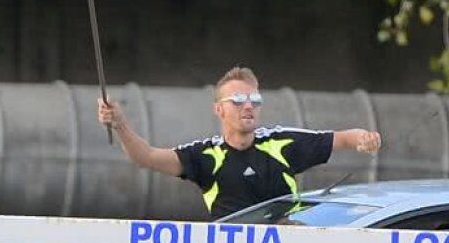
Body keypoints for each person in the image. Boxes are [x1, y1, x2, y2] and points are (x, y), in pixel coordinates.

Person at [97, 66, 382, 219]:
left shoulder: (280, 142)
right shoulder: (204, 155)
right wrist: (120, 124)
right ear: (219, 109)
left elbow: (343, 137)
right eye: (238, 101)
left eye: (255, 100)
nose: (248, 107)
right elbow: (145, 157)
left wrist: (364, 139)